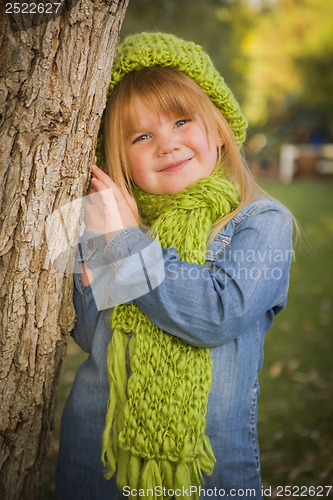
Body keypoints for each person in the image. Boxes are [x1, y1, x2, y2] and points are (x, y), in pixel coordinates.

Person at [55, 32, 294, 500]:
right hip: (96, 456)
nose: (167, 144)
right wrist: (101, 247)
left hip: (209, 469)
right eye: (142, 136)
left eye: (182, 120)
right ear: (119, 158)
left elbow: (214, 316)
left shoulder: (262, 222)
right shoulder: (113, 226)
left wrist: (128, 244)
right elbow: (91, 336)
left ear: (219, 129)